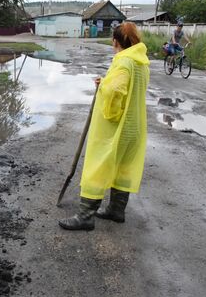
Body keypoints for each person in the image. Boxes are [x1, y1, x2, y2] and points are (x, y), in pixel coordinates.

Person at [59, 22, 150, 231]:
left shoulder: (124, 61)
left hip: (117, 127)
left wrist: (105, 91)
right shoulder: (141, 62)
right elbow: (128, 86)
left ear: (115, 41)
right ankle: (116, 211)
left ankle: (85, 216)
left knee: (97, 166)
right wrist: (106, 81)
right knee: (124, 167)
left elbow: (116, 91)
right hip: (134, 127)